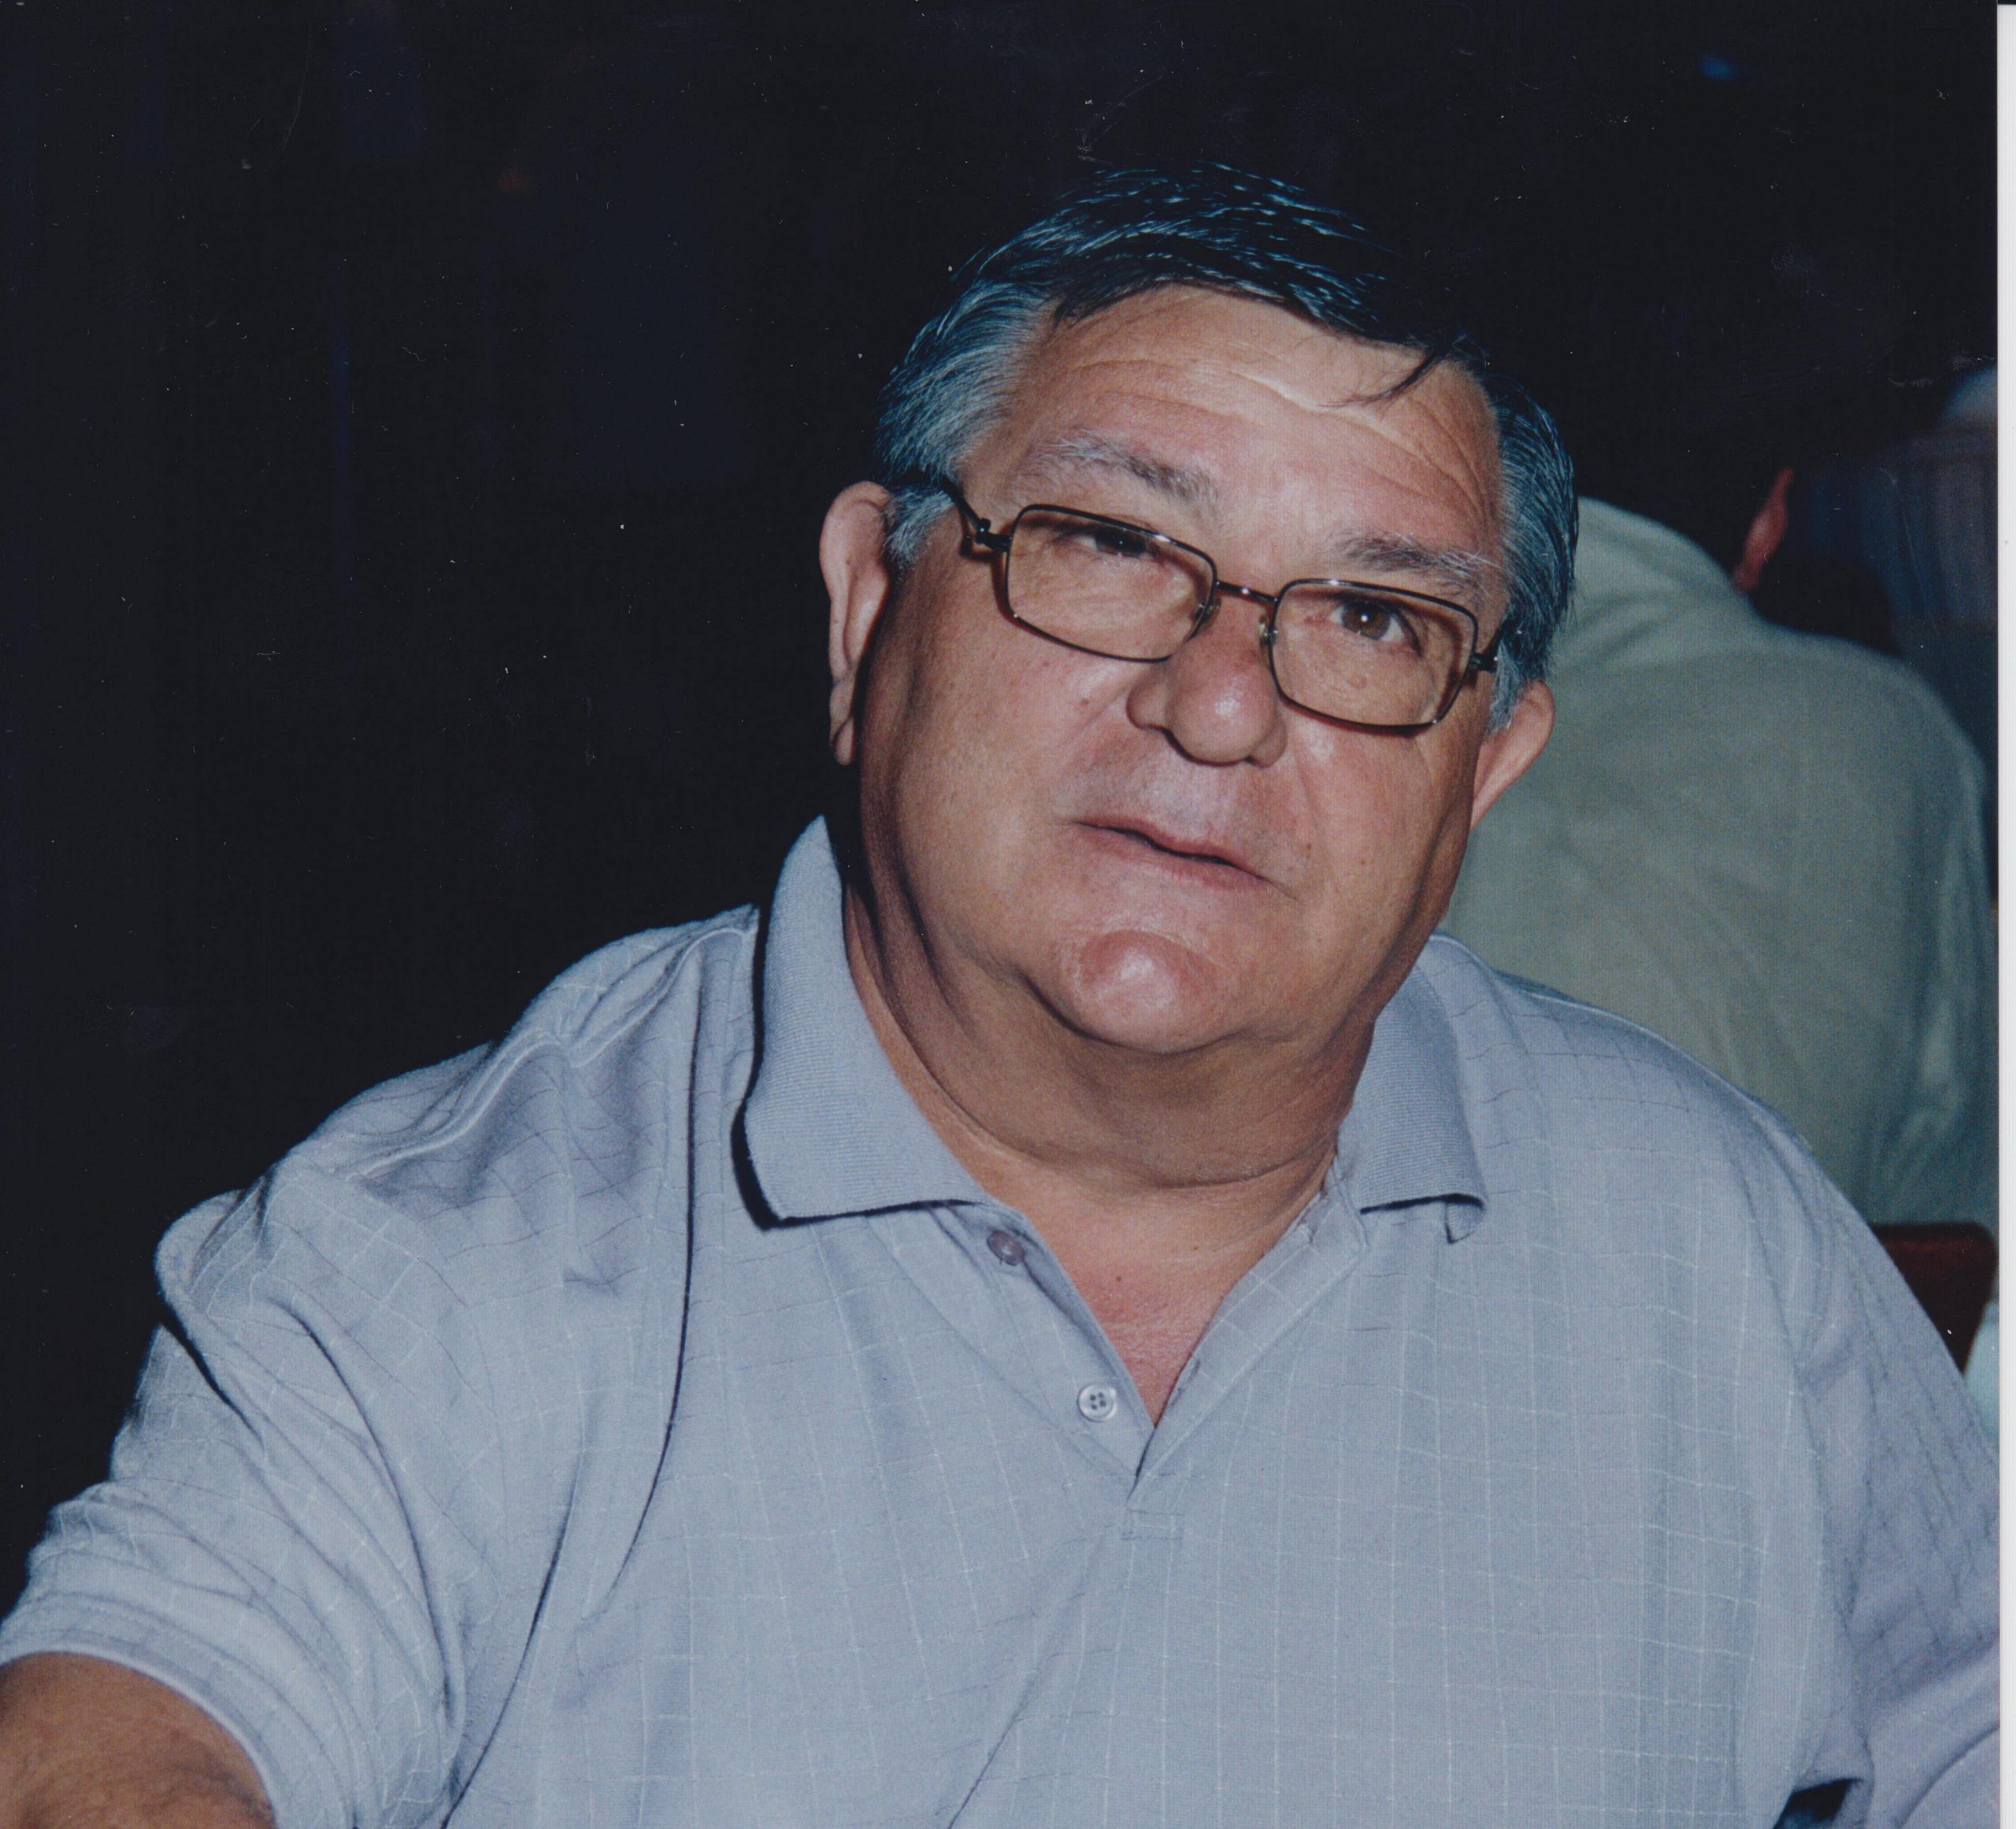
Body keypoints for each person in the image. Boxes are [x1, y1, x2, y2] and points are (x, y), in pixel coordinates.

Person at [0, 166, 1992, 1828]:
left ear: (1481, 770)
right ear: (867, 608)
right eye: (1113, 543)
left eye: (1371, 617)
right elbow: (121, 1727)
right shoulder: (441, 1252)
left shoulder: (1711, 1238)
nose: (1221, 704)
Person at [1442, 489, 1996, 1232]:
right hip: (1796, 1273)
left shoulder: (1418, 680)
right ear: (1768, 522)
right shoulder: (1898, 733)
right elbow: (1955, 1185)